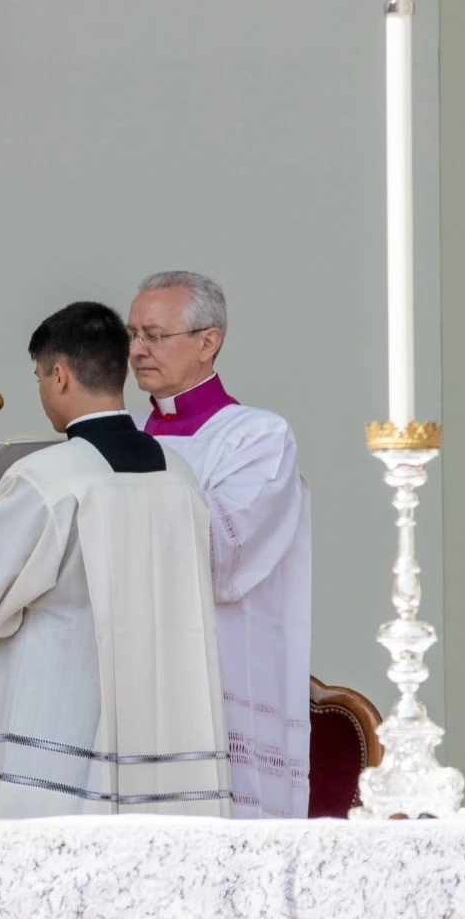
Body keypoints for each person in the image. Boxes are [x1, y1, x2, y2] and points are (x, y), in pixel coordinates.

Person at [0, 301, 230, 819]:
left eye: (40, 376)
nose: (41, 389)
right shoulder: (177, 474)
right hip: (160, 723)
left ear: (59, 376)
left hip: (61, 720)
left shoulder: (47, 477)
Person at [128, 270, 311, 819]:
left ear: (208, 342)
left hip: (224, 670)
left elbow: (220, 552)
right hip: (135, 676)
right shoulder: (127, 436)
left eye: (153, 336)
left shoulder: (256, 436)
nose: (136, 351)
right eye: (131, 335)